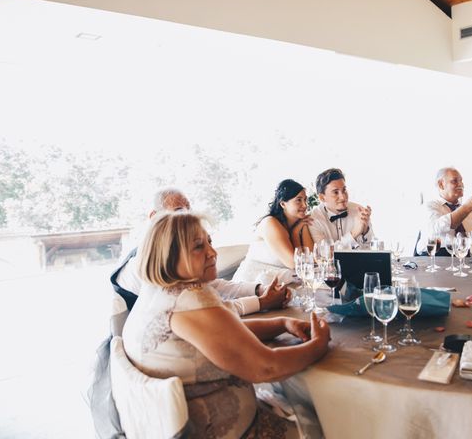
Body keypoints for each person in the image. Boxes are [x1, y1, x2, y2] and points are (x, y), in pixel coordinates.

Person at [123, 211, 330, 438]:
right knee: (330, 419)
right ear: (169, 256)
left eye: (209, 242)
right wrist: (318, 346)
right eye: (198, 247)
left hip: (177, 425)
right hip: (230, 431)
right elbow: (266, 367)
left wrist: (282, 323)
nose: (212, 253)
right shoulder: (190, 299)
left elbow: (223, 335)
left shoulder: (156, 292)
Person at [112, 187, 288, 315]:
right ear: (154, 217)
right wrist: (261, 301)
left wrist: (258, 290)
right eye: (180, 211)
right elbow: (203, 308)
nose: (212, 253)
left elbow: (209, 286)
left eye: (189, 209)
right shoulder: (153, 260)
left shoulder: (173, 251)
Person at [232, 179, 314, 283]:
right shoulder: (270, 223)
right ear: (283, 204)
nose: (305, 205)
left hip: (280, 284)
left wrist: (297, 232)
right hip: (250, 284)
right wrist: (295, 233)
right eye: (298, 200)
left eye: (305, 200)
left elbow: (312, 259)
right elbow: (293, 263)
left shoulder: (299, 224)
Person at [416, 167, 472, 255]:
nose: (461, 184)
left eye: (461, 181)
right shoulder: (430, 206)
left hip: (463, 258)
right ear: (441, 184)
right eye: (454, 181)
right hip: (433, 257)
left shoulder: (470, 211)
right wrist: (468, 206)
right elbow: (437, 229)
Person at [308, 168, 374, 249]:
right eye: (335, 192)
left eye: (344, 190)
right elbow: (325, 253)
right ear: (322, 197)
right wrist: (354, 233)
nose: (343, 197)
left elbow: (370, 248)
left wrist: (365, 230)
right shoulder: (313, 219)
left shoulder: (359, 211)